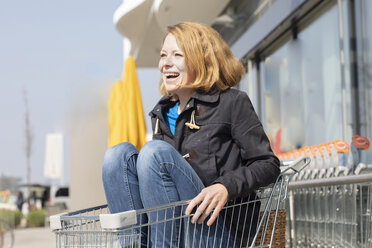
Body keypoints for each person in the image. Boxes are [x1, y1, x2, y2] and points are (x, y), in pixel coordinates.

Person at [102, 22, 280, 247]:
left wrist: (225, 186)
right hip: (174, 233)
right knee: (116, 155)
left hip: (216, 230)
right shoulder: (162, 113)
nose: (165, 63)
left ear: (201, 60)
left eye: (177, 55)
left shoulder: (232, 103)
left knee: (153, 153)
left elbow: (268, 164)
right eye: (163, 55)